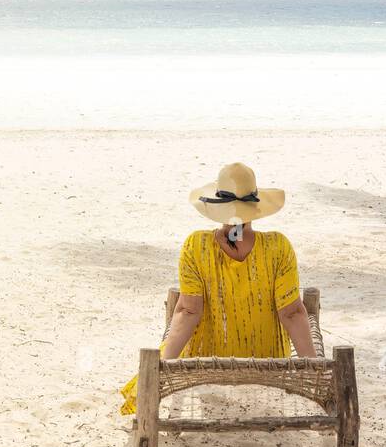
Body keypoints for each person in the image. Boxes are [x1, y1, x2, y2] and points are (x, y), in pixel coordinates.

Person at [120, 162, 315, 415]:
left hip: (205, 362)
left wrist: (163, 368)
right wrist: (314, 371)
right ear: (254, 206)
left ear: (217, 207)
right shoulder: (278, 247)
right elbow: (292, 313)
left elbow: (188, 312)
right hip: (266, 364)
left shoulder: (197, 245)